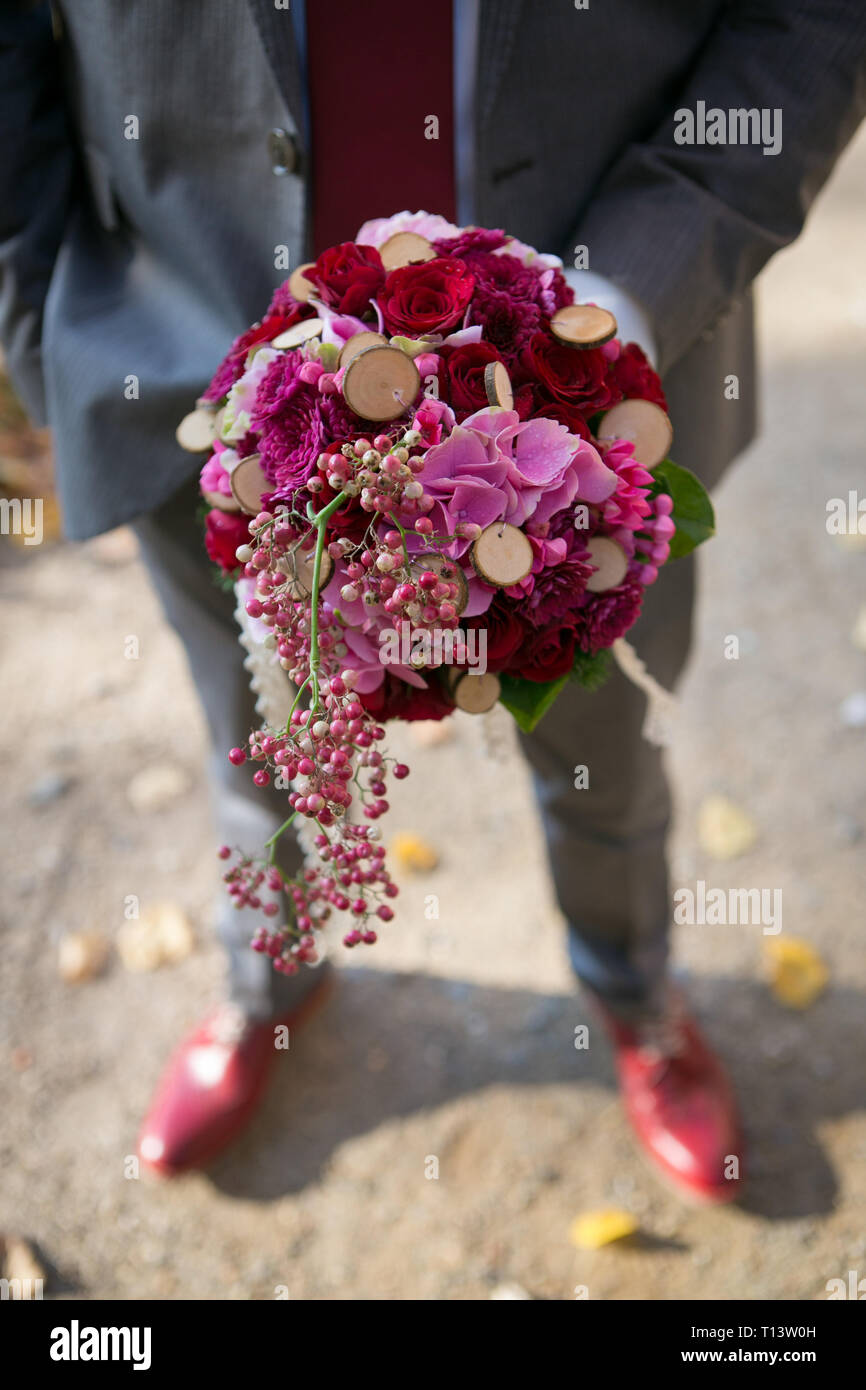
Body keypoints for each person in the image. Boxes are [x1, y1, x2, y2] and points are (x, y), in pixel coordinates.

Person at [2, 0, 864, 1201]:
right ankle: (271, 980)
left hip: (593, 385)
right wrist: (40, 309)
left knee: (599, 754)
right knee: (254, 735)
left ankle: (630, 989)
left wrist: (625, 295)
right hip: (194, 362)